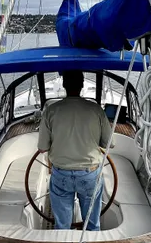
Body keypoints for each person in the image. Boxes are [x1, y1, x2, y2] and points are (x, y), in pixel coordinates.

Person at [37, 70, 113, 230]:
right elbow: (108, 144)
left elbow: (43, 148)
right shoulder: (96, 110)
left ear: (64, 85)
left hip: (61, 174)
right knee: (92, 225)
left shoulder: (51, 110)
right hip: (90, 175)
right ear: (82, 85)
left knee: (62, 225)